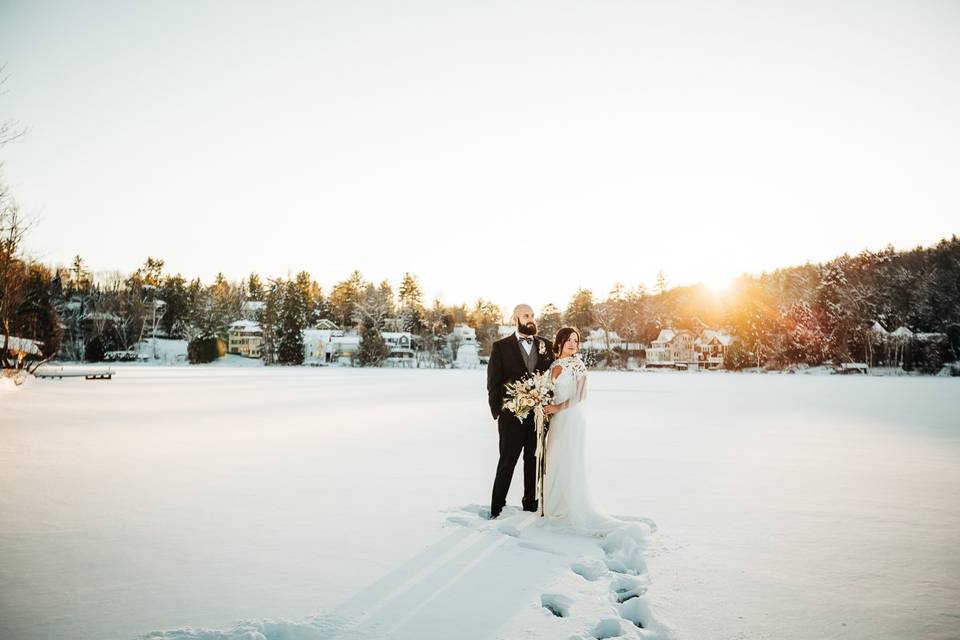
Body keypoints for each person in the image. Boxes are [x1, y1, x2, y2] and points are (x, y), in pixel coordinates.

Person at [542, 326, 623, 535]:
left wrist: (557, 408)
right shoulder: (553, 365)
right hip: (556, 421)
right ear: (559, 342)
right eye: (568, 339)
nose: (572, 343)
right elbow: (547, 392)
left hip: (571, 418)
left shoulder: (578, 365)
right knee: (554, 459)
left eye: (575, 341)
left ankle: (569, 506)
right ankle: (552, 506)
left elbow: (581, 395)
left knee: (569, 460)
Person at [486, 304, 555, 519]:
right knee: (507, 461)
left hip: (538, 417)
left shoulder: (546, 345)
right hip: (510, 416)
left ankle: (530, 506)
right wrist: (498, 411)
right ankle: (497, 508)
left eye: (533, 315)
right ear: (515, 319)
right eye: (526, 315)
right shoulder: (501, 347)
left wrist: (547, 407)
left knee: (533, 462)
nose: (531, 319)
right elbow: (493, 382)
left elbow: (553, 380)